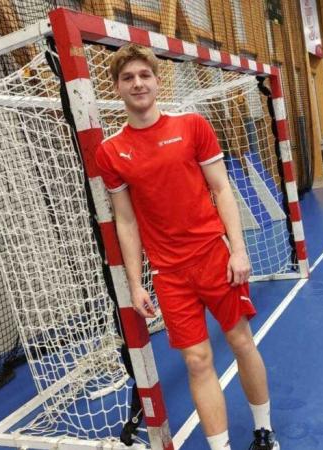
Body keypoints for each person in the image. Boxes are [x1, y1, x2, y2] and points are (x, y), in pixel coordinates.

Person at [95, 44, 279, 450]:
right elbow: (125, 221)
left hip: (214, 258)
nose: (137, 83)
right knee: (197, 361)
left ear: (158, 82)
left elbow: (221, 188)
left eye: (144, 75)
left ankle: (264, 431)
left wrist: (238, 249)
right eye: (128, 78)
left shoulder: (192, 126)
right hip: (168, 274)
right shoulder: (111, 152)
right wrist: (136, 282)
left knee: (240, 341)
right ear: (116, 88)